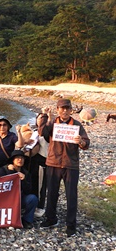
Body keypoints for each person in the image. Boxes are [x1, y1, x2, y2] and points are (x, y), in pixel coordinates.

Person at [38, 99, 90, 237]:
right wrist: (45, 116)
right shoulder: (52, 123)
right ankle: (50, 219)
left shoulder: (77, 125)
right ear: (57, 109)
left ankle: (71, 225)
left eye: (67, 108)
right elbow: (42, 132)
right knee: (52, 193)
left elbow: (86, 144)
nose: (65, 111)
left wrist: (81, 141)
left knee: (71, 195)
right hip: (53, 163)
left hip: (70, 165)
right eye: (62, 108)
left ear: (71, 110)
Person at [0, 150, 38, 229]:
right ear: (13, 160)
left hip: (20, 197)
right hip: (6, 198)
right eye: (17, 158)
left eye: (22, 158)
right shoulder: (4, 169)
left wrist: (23, 180)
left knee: (33, 198)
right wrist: (12, 172)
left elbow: (28, 190)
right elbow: (1, 184)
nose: (20, 160)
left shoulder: (26, 173)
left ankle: (27, 220)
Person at [25, 113, 50, 218]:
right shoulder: (35, 132)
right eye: (40, 117)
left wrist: (49, 117)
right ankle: (34, 204)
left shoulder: (48, 132)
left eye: (44, 118)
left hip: (44, 161)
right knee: (34, 182)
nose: (41, 119)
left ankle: (40, 206)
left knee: (42, 185)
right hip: (33, 160)